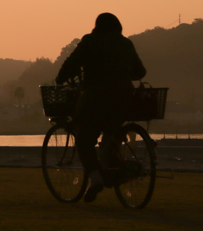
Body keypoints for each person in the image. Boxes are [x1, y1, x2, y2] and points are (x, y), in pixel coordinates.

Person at [55, 13, 146, 203]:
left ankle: (96, 178)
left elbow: (72, 63)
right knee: (112, 131)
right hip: (124, 99)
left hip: (95, 98)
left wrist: (60, 78)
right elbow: (141, 71)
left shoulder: (90, 41)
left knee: (85, 138)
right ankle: (113, 166)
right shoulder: (125, 43)